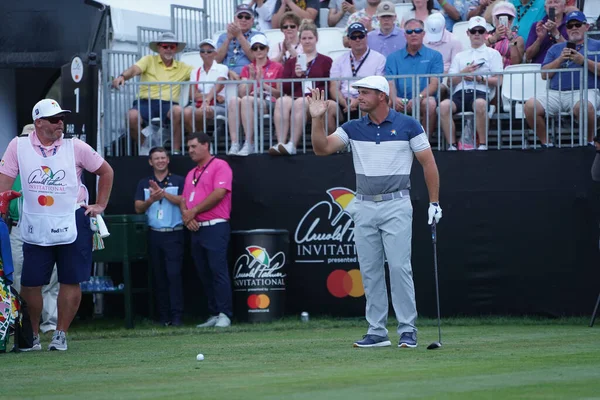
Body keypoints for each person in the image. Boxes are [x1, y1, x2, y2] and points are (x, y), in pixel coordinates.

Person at [307, 76, 442, 348]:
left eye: (364, 93)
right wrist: (317, 119)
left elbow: (428, 163)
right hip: (364, 205)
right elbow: (322, 149)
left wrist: (434, 202)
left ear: (382, 95)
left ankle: (407, 329)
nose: (358, 97)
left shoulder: (408, 125)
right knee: (370, 270)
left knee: (400, 267)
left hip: (397, 203)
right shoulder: (353, 128)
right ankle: (377, 331)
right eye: (358, 93)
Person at [0, 99, 114, 351]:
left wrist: (100, 205)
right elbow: (4, 181)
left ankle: (60, 334)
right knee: (30, 283)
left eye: (61, 118)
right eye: (54, 119)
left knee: (70, 280)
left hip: (72, 217)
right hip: (34, 221)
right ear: (38, 122)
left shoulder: (76, 147)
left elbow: (106, 171)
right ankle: (33, 336)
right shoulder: (17, 146)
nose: (60, 123)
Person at [9, 124, 59, 336]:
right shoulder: (10, 165)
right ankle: (20, 324)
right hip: (18, 227)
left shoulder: (53, 165)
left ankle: (49, 324)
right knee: (18, 277)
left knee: (51, 278)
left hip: (48, 226)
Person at [524, 11, 600, 147]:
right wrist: (560, 59)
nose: (574, 28)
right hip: (555, 93)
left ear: (587, 27)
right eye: (570, 26)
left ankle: (589, 142)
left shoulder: (597, 45)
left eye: (578, 24)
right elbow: (544, 74)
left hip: (586, 91)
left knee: (586, 107)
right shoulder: (556, 48)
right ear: (566, 29)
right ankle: (546, 144)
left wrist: (583, 61)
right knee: (530, 106)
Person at [181, 132, 233, 329]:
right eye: (189, 147)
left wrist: (193, 211)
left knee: (218, 271)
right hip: (196, 229)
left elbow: (219, 193)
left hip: (216, 226)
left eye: (194, 146)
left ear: (206, 146)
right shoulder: (192, 172)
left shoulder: (220, 166)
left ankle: (225, 314)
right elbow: (184, 199)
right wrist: (187, 217)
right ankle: (214, 312)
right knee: (204, 273)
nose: (190, 151)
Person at [111, 32, 192, 154]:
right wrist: (122, 76)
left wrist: (226, 73)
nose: (169, 49)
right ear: (159, 48)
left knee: (179, 111)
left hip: (168, 105)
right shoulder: (148, 60)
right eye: (165, 46)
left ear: (175, 49)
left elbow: (203, 72)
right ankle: (148, 147)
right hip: (145, 103)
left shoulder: (183, 67)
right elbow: (134, 70)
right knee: (131, 116)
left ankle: (176, 151)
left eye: (172, 47)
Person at [134, 147, 185, 327]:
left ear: (168, 160)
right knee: (159, 276)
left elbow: (186, 201)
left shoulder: (179, 180)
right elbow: (138, 207)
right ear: (150, 161)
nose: (160, 161)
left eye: (163, 157)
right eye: (157, 158)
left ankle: (177, 317)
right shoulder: (144, 182)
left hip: (174, 234)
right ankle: (164, 318)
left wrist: (164, 194)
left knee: (174, 276)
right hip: (154, 234)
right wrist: (151, 199)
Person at [439, 16, 503, 150]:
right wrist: (463, 73)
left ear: (486, 33)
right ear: (468, 33)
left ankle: (483, 144)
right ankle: (452, 145)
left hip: (480, 91)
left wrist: (480, 79)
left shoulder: (493, 54)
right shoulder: (460, 56)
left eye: (480, 31)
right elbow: (450, 82)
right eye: (474, 31)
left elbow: (499, 80)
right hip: (460, 93)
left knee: (480, 104)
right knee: (443, 106)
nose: (477, 34)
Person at [271, 21, 334, 156]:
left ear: (316, 39)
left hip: (315, 98)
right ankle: (281, 143)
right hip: (295, 96)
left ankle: (292, 144)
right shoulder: (291, 62)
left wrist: (314, 93)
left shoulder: (326, 60)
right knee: (282, 101)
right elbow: (285, 88)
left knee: (301, 102)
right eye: (304, 38)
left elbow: (328, 85)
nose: (307, 41)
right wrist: (296, 75)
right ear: (300, 40)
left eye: (310, 38)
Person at [227, 35, 284, 156]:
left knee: (247, 100)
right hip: (251, 101)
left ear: (267, 49)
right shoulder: (247, 69)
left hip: (270, 102)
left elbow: (280, 93)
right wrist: (252, 79)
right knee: (234, 100)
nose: (258, 50)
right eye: (255, 48)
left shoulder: (277, 66)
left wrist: (262, 84)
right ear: (252, 51)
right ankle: (235, 143)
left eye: (261, 47)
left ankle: (249, 142)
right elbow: (242, 93)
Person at [386, 19, 444, 136]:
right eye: (409, 31)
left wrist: (419, 97)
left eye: (417, 31)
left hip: (423, 98)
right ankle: (389, 141)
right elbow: (390, 82)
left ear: (423, 34)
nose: (413, 34)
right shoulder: (392, 57)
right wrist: (394, 98)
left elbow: (434, 83)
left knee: (431, 103)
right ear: (405, 35)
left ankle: (424, 143)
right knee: (384, 102)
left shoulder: (435, 56)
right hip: (399, 99)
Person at [328, 22, 387, 122]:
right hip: (344, 102)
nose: (358, 39)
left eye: (361, 36)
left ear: (366, 37)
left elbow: (378, 86)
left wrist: (358, 100)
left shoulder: (379, 59)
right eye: (354, 37)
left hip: (368, 100)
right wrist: (344, 102)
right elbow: (334, 87)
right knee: (328, 107)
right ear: (349, 40)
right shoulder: (339, 60)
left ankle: (366, 137)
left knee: (366, 104)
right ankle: (333, 138)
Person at [171, 39, 228, 140]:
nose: (205, 53)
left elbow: (218, 85)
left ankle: (200, 140)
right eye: (202, 51)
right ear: (200, 54)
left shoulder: (222, 68)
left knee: (199, 112)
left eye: (209, 51)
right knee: (186, 112)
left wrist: (205, 99)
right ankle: (201, 140)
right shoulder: (195, 71)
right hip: (202, 103)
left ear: (215, 53)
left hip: (218, 105)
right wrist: (212, 96)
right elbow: (192, 95)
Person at [215, 4, 260, 77]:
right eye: (240, 16)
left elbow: (255, 58)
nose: (243, 20)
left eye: (247, 17)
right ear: (234, 19)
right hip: (226, 75)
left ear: (252, 21)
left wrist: (239, 36)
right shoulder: (223, 36)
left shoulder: (258, 36)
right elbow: (217, 60)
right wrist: (228, 39)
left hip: (248, 76)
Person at [486, 1, 525, 67]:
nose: (506, 20)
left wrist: (511, 39)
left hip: (508, 74)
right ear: (495, 18)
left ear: (512, 20)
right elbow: (477, 52)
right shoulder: (486, 35)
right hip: (489, 73)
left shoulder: (518, 39)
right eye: (500, 17)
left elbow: (516, 62)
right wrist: (494, 38)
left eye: (508, 17)